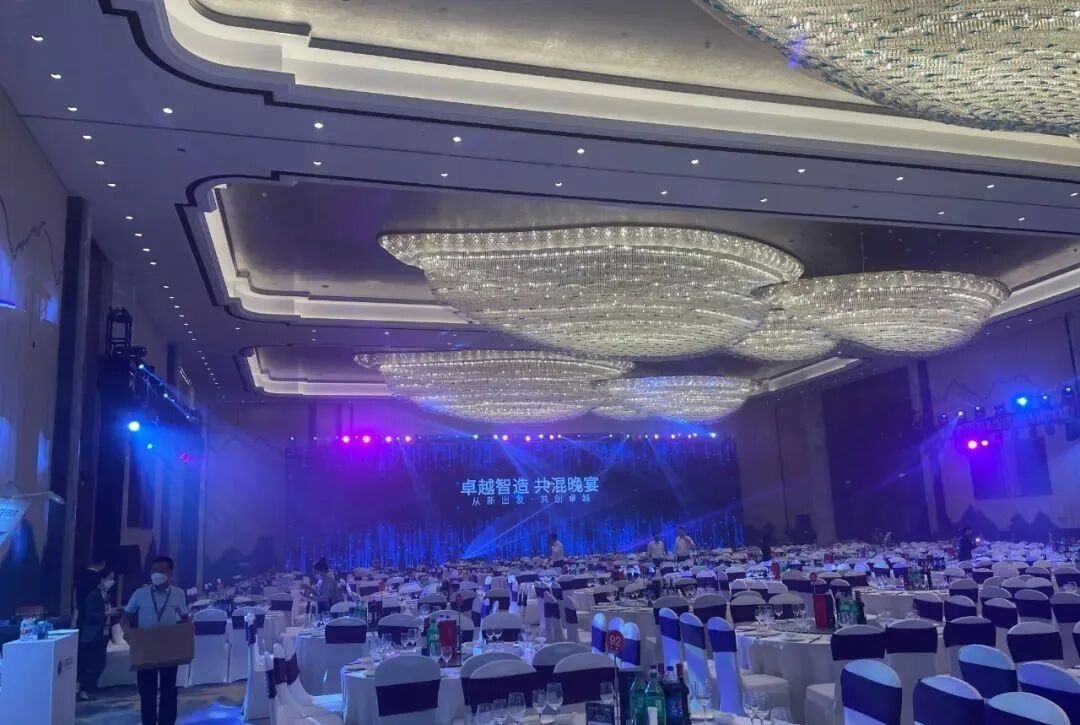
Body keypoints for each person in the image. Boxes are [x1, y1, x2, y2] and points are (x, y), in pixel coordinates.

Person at [122, 556, 190, 725]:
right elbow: (125, 619)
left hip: (169, 647)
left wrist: (186, 634)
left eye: (160, 571)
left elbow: (185, 619)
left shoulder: (178, 594)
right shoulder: (140, 594)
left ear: (170, 573)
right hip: (146, 648)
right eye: (153, 571)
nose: (156, 574)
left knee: (169, 690)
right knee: (147, 692)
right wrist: (129, 635)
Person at [77, 566, 116, 701]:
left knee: (100, 663)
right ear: (102, 579)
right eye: (110, 578)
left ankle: (88, 689)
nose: (112, 581)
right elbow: (90, 615)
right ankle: (83, 690)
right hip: (92, 635)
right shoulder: (93, 595)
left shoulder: (107, 595)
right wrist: (107, 614)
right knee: (91, 664)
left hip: (104, 634)